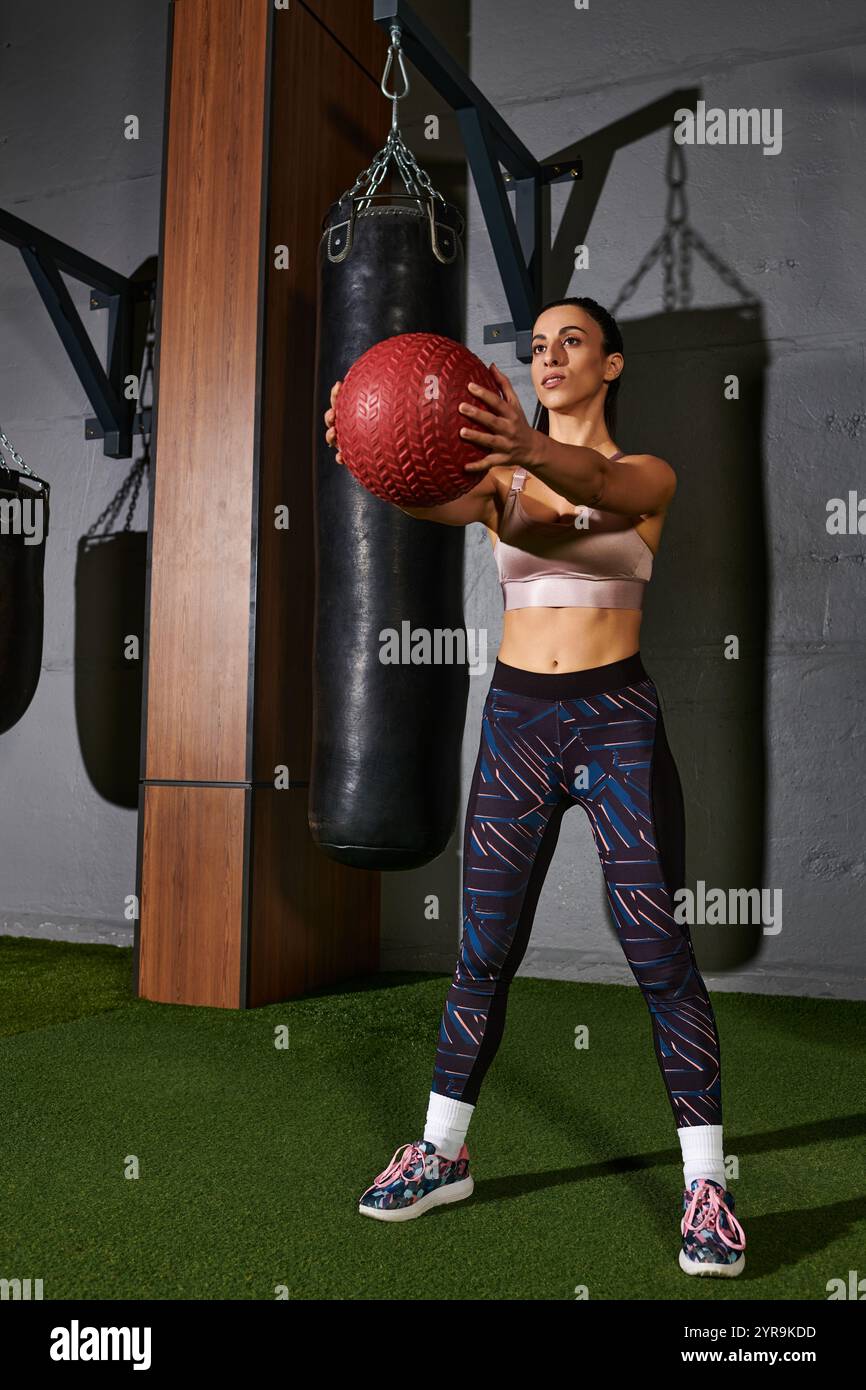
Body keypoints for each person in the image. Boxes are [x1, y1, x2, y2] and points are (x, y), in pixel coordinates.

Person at [323, 296, 746, 1277]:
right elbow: (406, 485)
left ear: (611, 367)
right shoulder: (497, 482)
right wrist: (357, 433)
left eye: (572, 343)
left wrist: (519, 447)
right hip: (515, 721)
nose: (549, 355)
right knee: (482, 948)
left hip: (614, 722)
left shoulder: (644, 477)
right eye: (538, 344)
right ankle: (439, 1153)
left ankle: (706, 1185)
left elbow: (593, 481)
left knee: (657, 952)